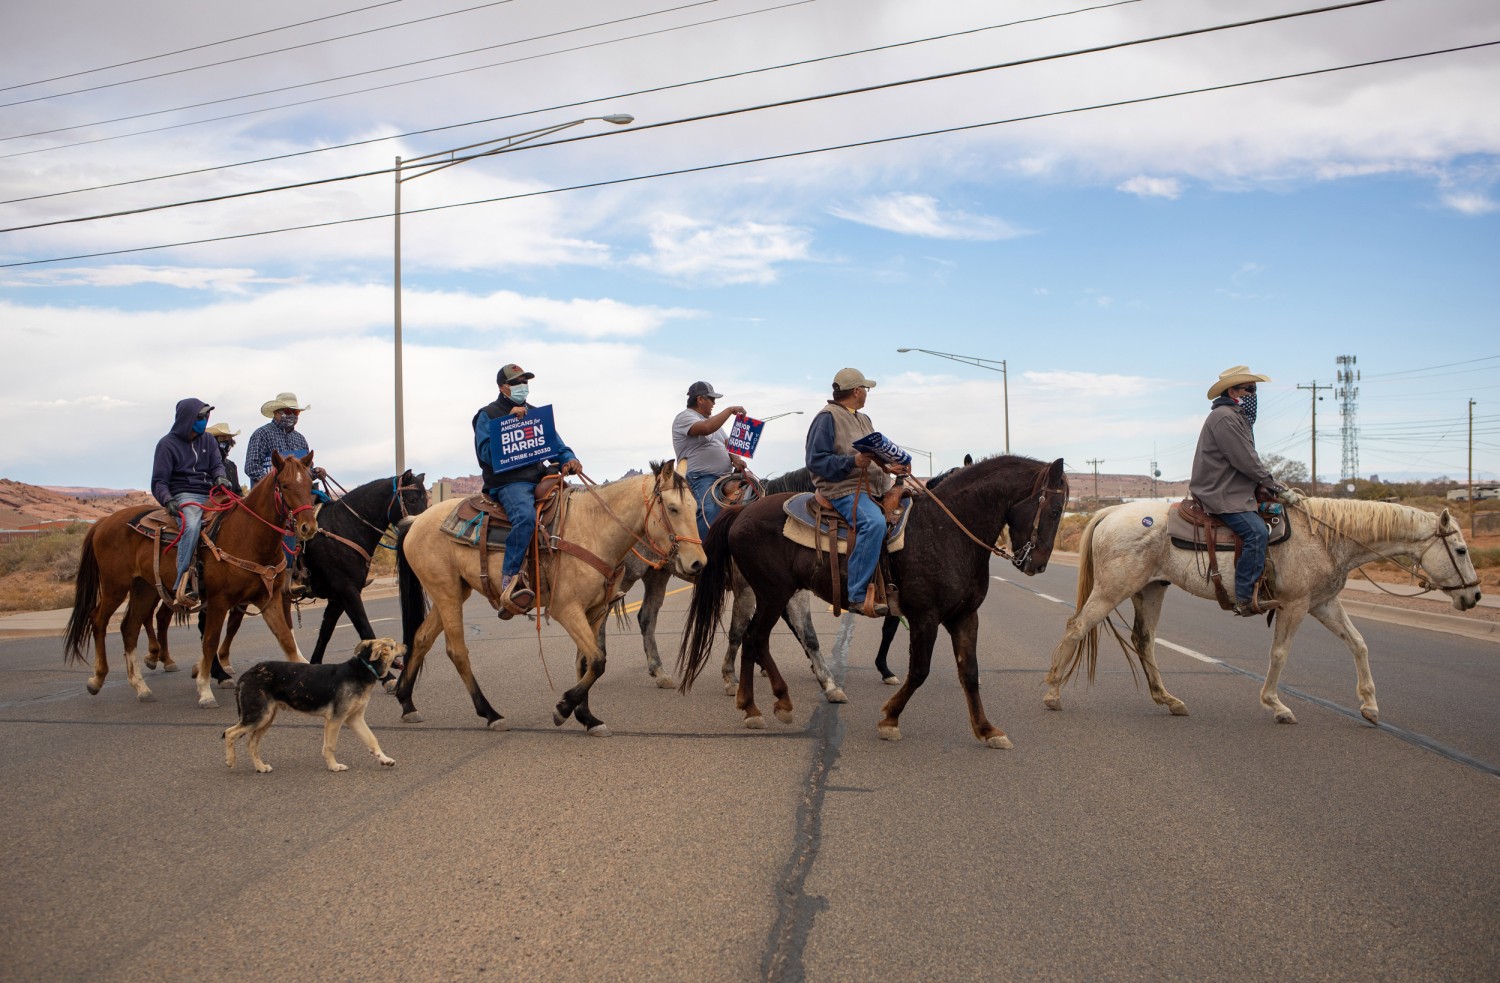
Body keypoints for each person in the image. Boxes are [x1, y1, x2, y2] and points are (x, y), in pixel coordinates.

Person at [1189, 365, 1303, 617]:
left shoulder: (1236, 417)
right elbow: (1245, 460)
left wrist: (1265, 486)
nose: (1254, 394)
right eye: (1249, 389)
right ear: (1233, 391)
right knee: (1256, 531)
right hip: (1221, 492)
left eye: (1255, 389)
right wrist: (1275, 486)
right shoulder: (1225, 418)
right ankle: (1243, 596)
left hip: (1235, 490)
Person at [474, 363, 583, 613]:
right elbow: (485, 454)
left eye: (525, 382)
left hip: (539, 477)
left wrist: (569, 459)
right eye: (516, 383)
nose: (522, 387)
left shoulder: (535, 415)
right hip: (509, 483)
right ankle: (510, 579)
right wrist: (509, 424)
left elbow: (558, 444)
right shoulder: (487, 414)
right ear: (503, 387)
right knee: (524, 517)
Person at [804, 367, 910, 618]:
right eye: (865, 389)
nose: (867, 393)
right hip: (843, 488)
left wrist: (890, 466)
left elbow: (871, 456)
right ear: (856, 391)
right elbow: (816, 461)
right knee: (873, 523)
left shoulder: (864, 419)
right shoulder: (826, 417)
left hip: (875, 486)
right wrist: (852, 462)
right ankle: (857, 595)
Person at [151, 398, 233, 609]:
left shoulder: (208, 440)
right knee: (192, 524)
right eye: (200, 417)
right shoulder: (166, 445)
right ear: (187, 418)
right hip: (184, 495)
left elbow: (217, 465)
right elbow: (159, 481)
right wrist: (167, 499)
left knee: (239, 513)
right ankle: (183, 581)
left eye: (206, 416)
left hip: (210, 493)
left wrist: (221, 476)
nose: (204, 421)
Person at [245, 392, 326, 597]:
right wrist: (279, 480)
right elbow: (251, 467)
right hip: (270, 496)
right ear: (277, 413)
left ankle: (320, 572)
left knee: (327, 513)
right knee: (290, 527)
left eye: (296, 412)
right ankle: (287, 579)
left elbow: (305, 469)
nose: (293, 416)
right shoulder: (261, 435)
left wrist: (314, 472)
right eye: (289, 412)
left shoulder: (300, 438)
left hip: (297, 493)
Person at [672, 381, 749, 539]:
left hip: (724, 477)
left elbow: (728, 444)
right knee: (709, 510)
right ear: (700, 399)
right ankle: (706, 551)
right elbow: (707, 428)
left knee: (753, 492)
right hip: (699, 477)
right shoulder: (685, 417)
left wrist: (736, 458)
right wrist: (729, 410)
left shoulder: (713, 422)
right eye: (711, 399)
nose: (714, 403)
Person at [206, 422, 243, 494]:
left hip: (231, 502)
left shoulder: (232, 465)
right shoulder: (206, 463)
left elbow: (238, 491)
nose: (226, 441)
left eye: (228, 438)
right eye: (222, 438)